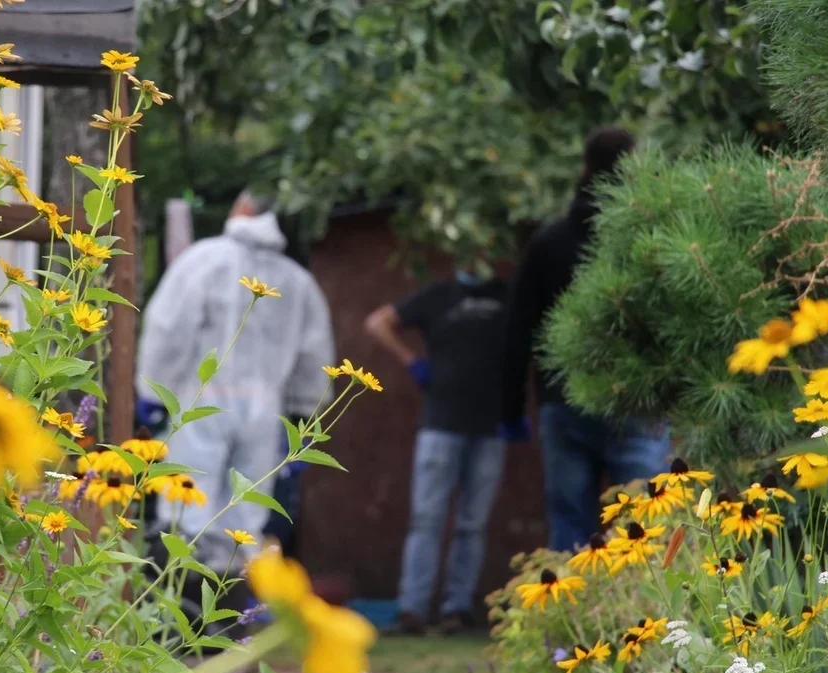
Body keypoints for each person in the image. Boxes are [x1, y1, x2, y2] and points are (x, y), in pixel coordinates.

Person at [136, 189, 334, 573]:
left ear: (241, 209)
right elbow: (314, 354)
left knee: (186, 508)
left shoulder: (203, 261)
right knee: (246, 516)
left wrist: (153, 389)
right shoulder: (296, 280)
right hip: (265, 408)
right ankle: (232, 610)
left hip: (202, 399)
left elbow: (168, 329)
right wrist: (304, 414)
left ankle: (180, 607)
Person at [499, 127, 671, 552]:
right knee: (644, 522)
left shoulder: (547, 244)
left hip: (565, 401)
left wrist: (510, 408)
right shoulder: (650, 241)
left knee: (571, 524)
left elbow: (519, 331)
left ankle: (569, 616)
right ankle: (647, 615)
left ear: (585, 169)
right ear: (633, 169)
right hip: (638, 401)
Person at [365, 263, 508, 634]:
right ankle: (412, 610)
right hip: (440, 423)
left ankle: (456, 610)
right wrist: (412, 362)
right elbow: (378, 322)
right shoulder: (438, 295)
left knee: (472, 524)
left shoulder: (506, 296)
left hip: (491, 425)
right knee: (426, 520)